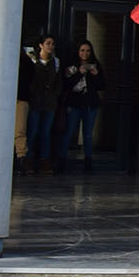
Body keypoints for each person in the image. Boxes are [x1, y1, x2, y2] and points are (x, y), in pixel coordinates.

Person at [61, 41, 106, 171]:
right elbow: (67, 85)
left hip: (90, 105)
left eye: (88, 51)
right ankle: (62, 159)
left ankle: (88, 160)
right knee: (68, 132)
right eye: (82, 50)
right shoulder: (71, 66)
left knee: (88, 134)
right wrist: (79, 73)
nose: (85, 53)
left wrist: (96, 74)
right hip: (74, 103)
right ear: (77, 51)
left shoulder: (95, 66)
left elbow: (102, 86)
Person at [20, 35, 63, 174]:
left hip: (49, 103)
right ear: (40, 45)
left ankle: (44, 159)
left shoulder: (56, 63)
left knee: (45, 132)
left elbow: (59, 84)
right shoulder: (33, 61)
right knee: (32, 131)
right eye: (48, 43)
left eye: (52, 43)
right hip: (35, 102)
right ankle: (29, 159)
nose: (50, 46)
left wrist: (54, 95)